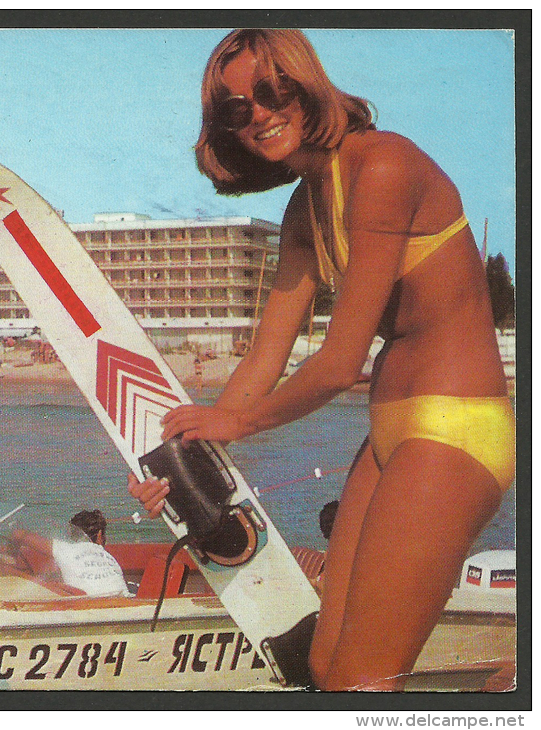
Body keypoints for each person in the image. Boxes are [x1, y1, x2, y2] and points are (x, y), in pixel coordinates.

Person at [128, 29, 513, 691]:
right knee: (327, 669)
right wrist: (181, 459)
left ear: (308, 87)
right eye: (235, 109)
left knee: (363, 680)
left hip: (453, 431)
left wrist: (237, 426)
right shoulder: (305, 207)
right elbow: (264, 358)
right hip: (390, 438)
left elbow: (339, 363)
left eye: (272, 92)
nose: (260, 115)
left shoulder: (385, 167)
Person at [12, 510, 130, 598]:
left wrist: (12, 554)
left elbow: (19, 534)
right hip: (126, 603)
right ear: (100, 535)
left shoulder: (65, 549)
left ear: (72, 534)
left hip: (90, 608)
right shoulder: (109, 557)